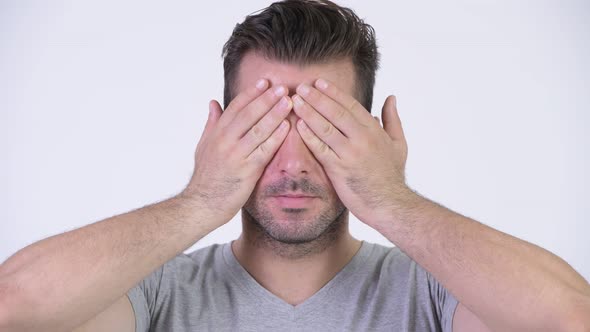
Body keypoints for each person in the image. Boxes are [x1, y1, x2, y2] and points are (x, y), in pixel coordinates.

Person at [1, 0, 589, 331]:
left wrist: (391, 200)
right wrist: (201, 201)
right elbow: (13, 311)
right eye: (262, 126)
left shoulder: (435, 295)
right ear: (217, 134)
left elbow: (570, 320)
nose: (292, 161)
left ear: (377, 136)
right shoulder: (155, 295)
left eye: (324, 127)